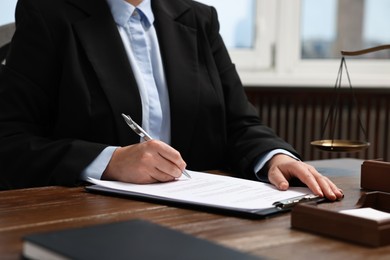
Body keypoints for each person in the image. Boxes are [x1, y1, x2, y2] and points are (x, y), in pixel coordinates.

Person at [0, 0, 343, 201]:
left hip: (205, 213)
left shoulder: (198, 18)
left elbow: (239, 123)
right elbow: (10, 143)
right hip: (90, 217)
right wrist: (110, 162)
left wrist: (273, 157)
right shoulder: (47, 14)